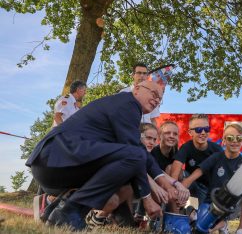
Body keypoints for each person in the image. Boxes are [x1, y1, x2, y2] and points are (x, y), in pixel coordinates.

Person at [26, 81, 179, 231]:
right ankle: (69, 212)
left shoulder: (125, 107)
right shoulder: (128, 103)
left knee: (128, 164)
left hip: (55, 163)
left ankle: (55, 209)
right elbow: (136, 154)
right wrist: (147, 198)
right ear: (137, 89)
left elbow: (140, 152)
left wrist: (168, 182)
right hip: (55, 160)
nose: (156, 99)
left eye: (160, 98)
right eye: (153, 93)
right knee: (132, 157)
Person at [182, 124, 242, 234]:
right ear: (223, 141)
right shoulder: (216, 157)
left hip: (231, 207)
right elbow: (200, 171)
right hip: (211, 203)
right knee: (200, 229)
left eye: (238, 138)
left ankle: (240, 230)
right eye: (230, 138)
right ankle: (215, 222)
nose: (234, 141)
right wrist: (184, 183)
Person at [170, 114, 223, 205]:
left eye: (206, 129)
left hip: (208, 188)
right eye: (198, 129)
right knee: (169, 168)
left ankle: (193, 209)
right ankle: (175, 213)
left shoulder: (217, 149)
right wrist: (174, 189)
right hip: (190, 185)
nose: (203, 132)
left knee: (201, 217)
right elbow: (176, 166)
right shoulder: (187, 147)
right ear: (190, 133)